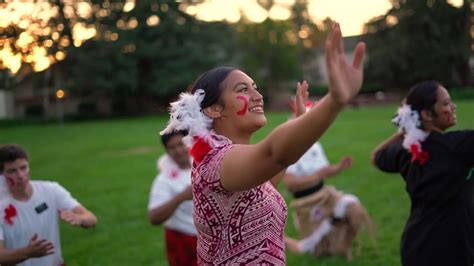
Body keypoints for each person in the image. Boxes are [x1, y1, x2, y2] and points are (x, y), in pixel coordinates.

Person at [161, 22, 365, 264]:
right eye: (243, 90)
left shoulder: (229, 162)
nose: (257, 96)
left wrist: (299, 127)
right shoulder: (217, 162)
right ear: (215, 109)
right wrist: (335, 101)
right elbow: (274, 155)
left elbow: (267, 179)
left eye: (255, 88)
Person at [371, 80, 474, 266]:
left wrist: (404, 129)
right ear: (427, 114)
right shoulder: (457, 147)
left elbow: (376, 156)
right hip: (452, 249)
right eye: (446, 104)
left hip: (416, 246)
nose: (453, 107)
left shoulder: (406, 150)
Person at [283, 82, 374, 260]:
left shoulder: (314, 144)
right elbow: (290, 183)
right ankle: (283, 240)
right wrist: (317, 176)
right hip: (306, 204)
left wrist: (339, 168)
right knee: (313, 251)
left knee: (354, 210)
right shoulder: (290, 145)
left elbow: (325, 171)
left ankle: (342, 244)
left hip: (325, 195)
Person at [0, 144, 97, 266]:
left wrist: (80, 218)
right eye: (12, 171)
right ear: (1, 176)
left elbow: (91, 219)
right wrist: (27, 252)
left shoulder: (51, 190)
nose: (20, 175)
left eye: (23, 168)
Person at [148, 130, 197, 266]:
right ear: (166, 150)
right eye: (172, 147)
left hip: (212, 238)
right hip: (183, 240)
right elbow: (154, 217)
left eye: (181, 144)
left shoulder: (203, 165)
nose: (178, 150)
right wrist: (181, 197)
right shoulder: (164, 180)